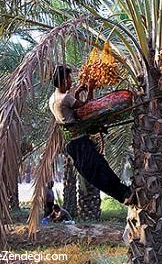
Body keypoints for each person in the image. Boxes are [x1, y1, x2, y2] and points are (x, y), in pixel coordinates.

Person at [49, 65, 134, 205]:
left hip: (73, 145)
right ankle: (125, 194)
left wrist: (77, 94)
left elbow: (73, 114)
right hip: (80, 143)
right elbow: (89, 108)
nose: (71, 80)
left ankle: (124, 195)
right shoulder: (64, 98)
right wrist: (91, 88)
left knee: (94, 174)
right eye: (69, 78)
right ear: (64, 81)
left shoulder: (53, 98)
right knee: (100, 169)